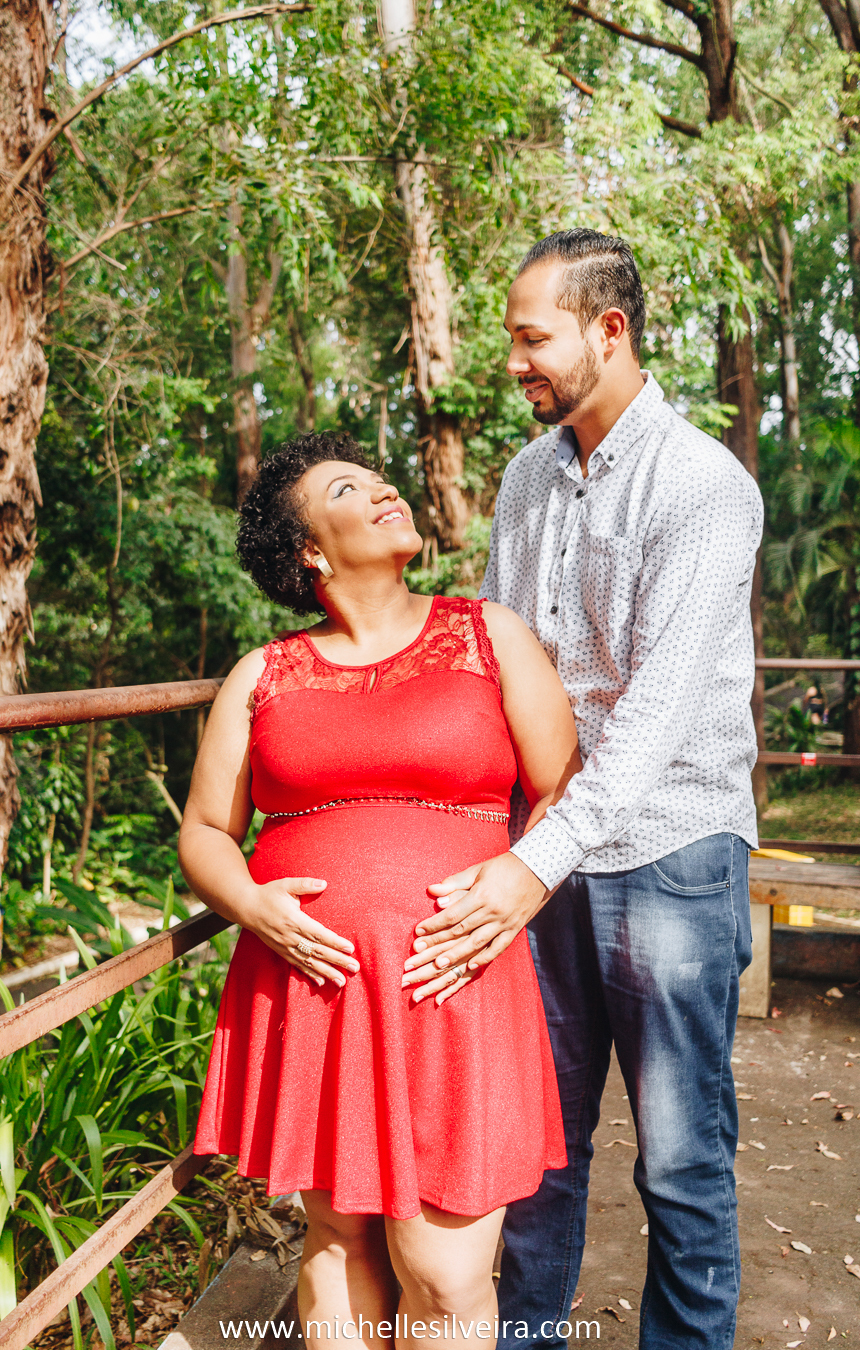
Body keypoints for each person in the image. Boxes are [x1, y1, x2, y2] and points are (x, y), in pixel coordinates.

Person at [402, 230, 764, 1350]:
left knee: (682, 1164)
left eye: (532, 339)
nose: (514, 362)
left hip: (671, 849)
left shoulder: (703, 484)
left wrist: (528, 867)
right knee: (538, 1153)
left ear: (609, 331)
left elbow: (654, 721)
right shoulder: (526, 477)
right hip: (540, 851)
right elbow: (498, 660)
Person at [178, 432, 581, 1350]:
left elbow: (564, 789)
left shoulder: (489, 633)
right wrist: (252, 904)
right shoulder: (262, 673)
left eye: (378, 478)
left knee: (444, 1273)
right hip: (315, 989)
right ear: (310, 553)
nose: (384, 490)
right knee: (335, 1239)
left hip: (455, 981)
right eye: (348, 489)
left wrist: (521, 878)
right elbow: (204, 831)